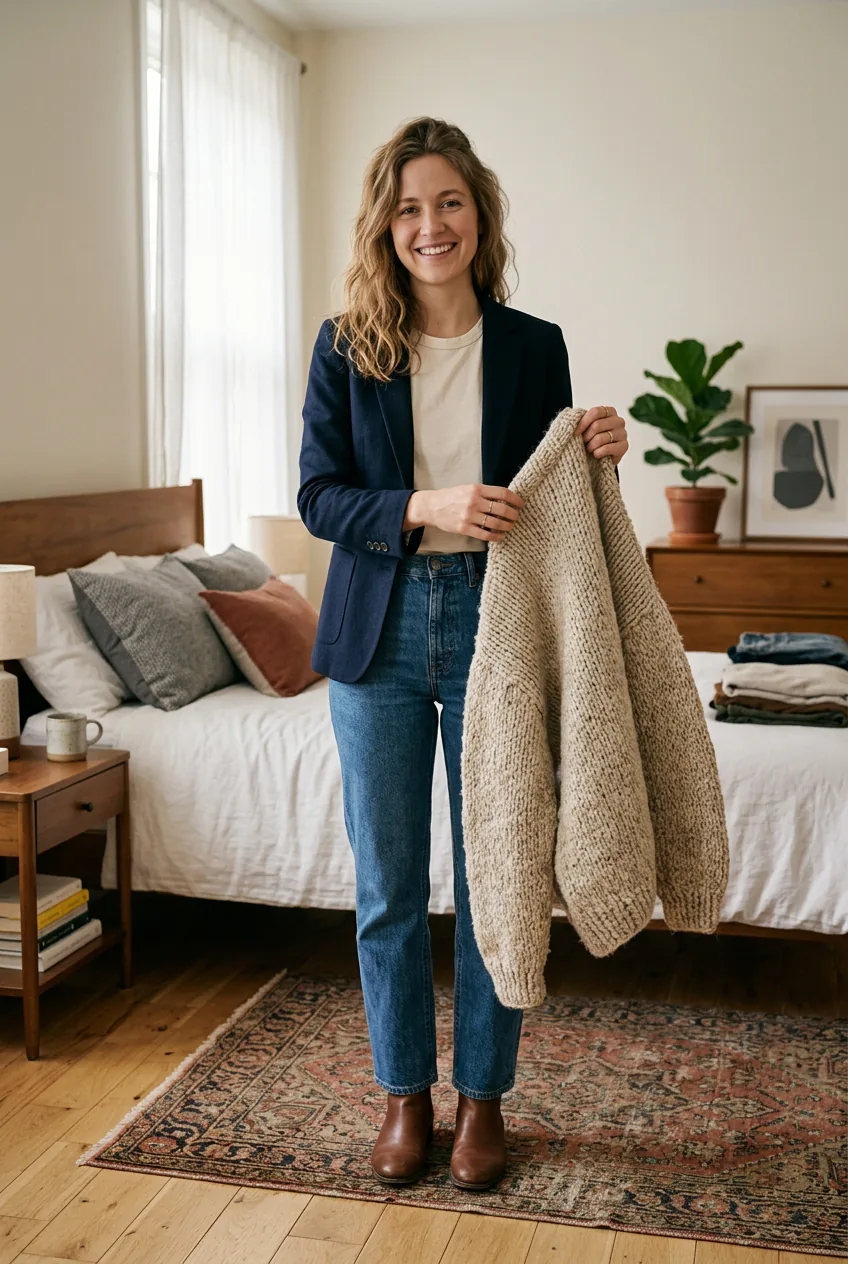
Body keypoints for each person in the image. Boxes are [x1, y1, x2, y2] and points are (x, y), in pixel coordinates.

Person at [297, 116, 629, 1191]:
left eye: (446, 202)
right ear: (382, 226)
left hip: (497, 627)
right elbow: (318, 495)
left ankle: (482, 1100)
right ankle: (405, 1098)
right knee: (388, 884)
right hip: (375, 636)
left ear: (476, 214)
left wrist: (599, 449)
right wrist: (423, 504)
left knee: (498, 873)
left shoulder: (534, 345)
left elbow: (553, 495)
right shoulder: (347, 341)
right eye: (406, 207)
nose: (427, 224)